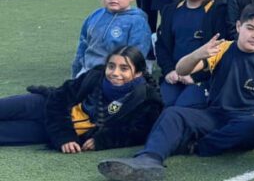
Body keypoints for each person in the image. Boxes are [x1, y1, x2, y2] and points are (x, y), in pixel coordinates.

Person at [98, 4, 254, 181]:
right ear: (239, 26)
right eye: (250, 28)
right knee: (173, 113)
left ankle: (198, 146)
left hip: (248, 118)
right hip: (214, 116)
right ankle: (149, 158)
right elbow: (182, 69)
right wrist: (198, 55)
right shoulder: (222, 48)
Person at [0, 47, 161, 153]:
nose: (114, 72)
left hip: (51, 130)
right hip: (46, 107)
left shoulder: (148, 99)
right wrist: (64, 136)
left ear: (139, 73)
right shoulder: (96, 74)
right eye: (111, 66)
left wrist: (101, 141)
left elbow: (136, 133)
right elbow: (60, 96)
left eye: (124, 68)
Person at [155, 0, 230, 108]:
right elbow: (161, 45)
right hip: (175, 75)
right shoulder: (170, 10)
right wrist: (169, 70)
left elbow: (221, 49)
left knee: (183, 108)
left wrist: (195, 76)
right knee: (162, 105)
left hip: (203, 78)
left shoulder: (218, 11)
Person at [72, 0, 152, 79]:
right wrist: (76, 74)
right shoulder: (94, 16)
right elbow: (82, 46)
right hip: (88, 71)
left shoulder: (137, 21)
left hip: (117, 75)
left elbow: (138, 55)